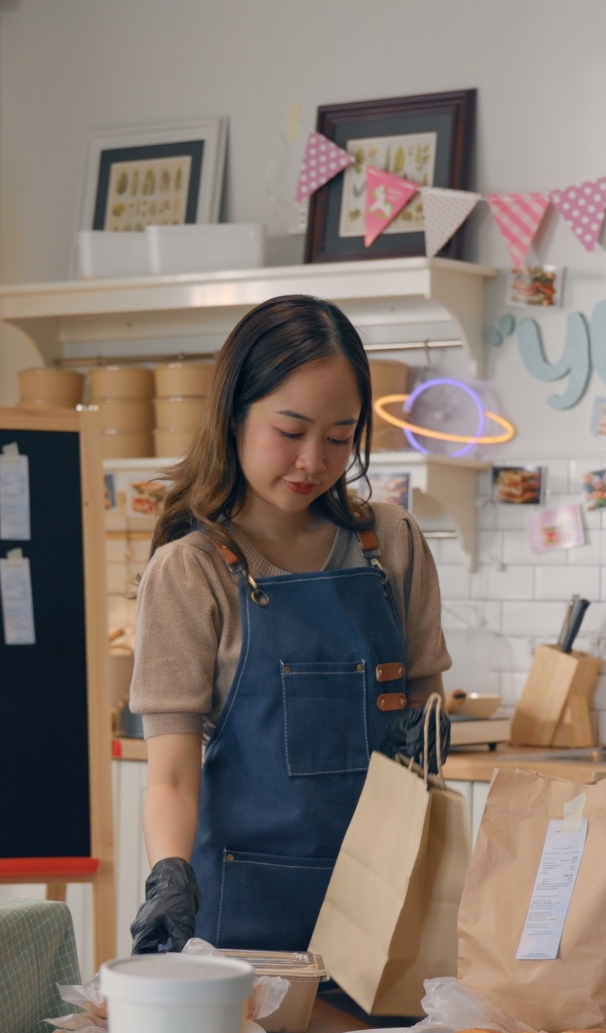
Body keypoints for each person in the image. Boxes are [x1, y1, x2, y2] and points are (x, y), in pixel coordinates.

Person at [127, 294, 450, 955]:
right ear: (235, 413)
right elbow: (172, 776)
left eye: (338, 437)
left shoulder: (392, 544)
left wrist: (426, 742)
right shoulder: (191, 572)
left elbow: (428, 720)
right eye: (291, 430)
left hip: (382, 915)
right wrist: (169, 876)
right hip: (242, 920)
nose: (312, 461)